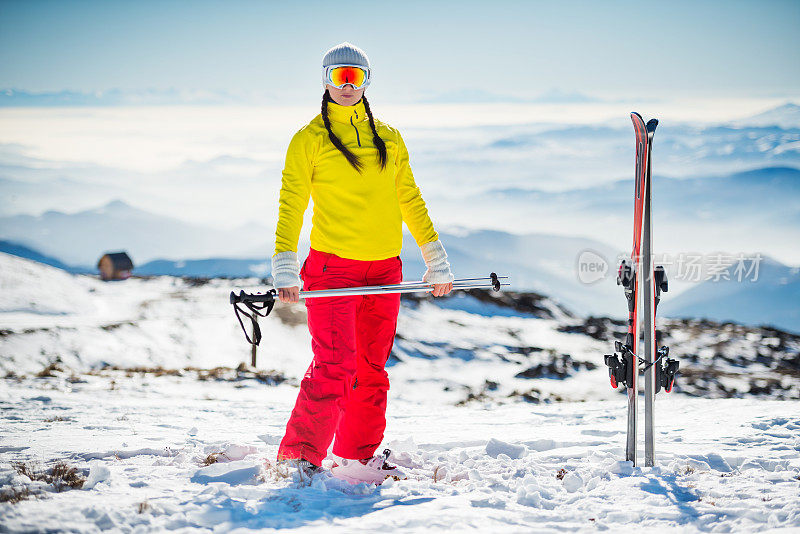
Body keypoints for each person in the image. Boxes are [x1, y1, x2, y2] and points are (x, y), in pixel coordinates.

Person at [271, 42, 454, 484]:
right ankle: (299, 457)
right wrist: (284, 265)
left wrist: (435, 257)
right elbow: (292, 203)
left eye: (355, 77)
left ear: (367, 81)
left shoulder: (388, 137)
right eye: (339, 77)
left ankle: (356, 455)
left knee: (371, 369)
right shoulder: (309, 139)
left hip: (385, 270)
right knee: (335, 365)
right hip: (333, 269)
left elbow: (409, 197)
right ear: (325, 81)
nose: (347, 86)